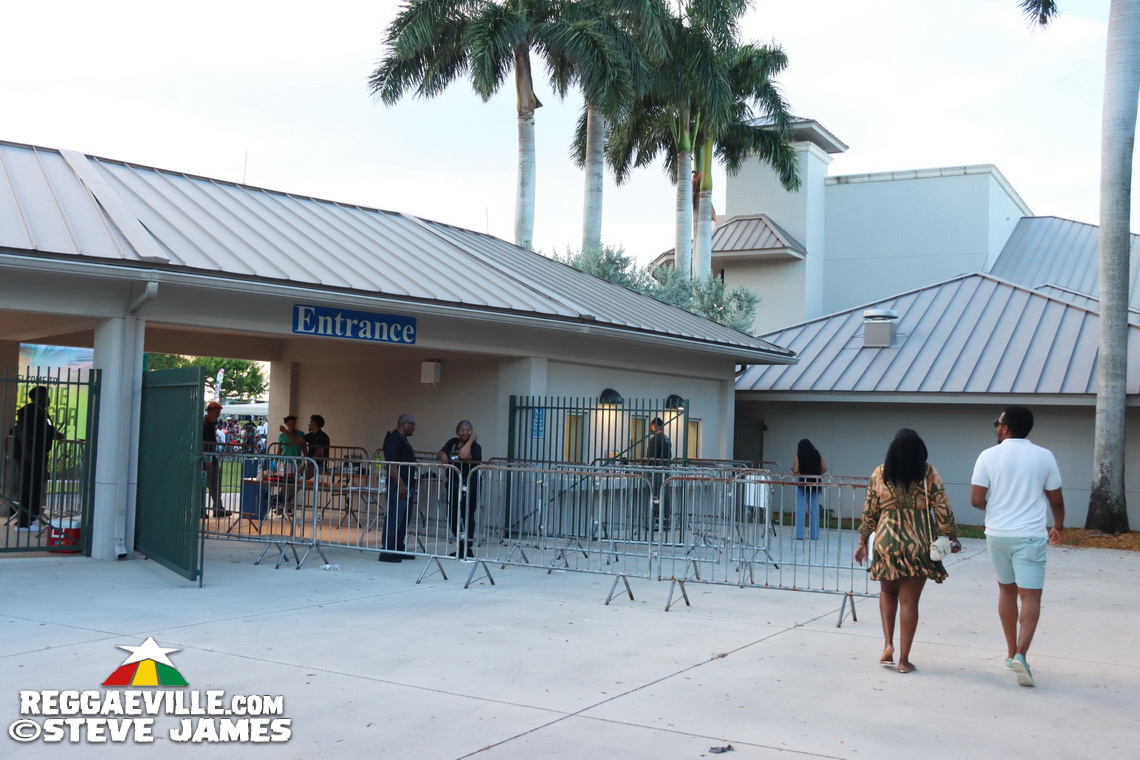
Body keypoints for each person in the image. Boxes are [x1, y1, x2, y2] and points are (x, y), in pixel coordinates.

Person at [970, 406, 1064, 688]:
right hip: (1031, 535)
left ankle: (1011, 652)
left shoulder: (988, 455)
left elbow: (976, 499)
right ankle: (1022, 654)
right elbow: (1055, 499)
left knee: (1006, 590)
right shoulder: (1045, 456)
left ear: (1006, 427)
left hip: (997, 533)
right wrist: (1058, 525)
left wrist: (996, 509)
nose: (996, 427)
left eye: (996, 423)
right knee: (1031, 596)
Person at [855, 429, 961, 673]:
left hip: (886, 542)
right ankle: (904, 661)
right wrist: (952, 537)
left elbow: (870, 511)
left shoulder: (879, 473)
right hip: (918, 543)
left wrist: (862, 541)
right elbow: (943, 507)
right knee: (909, 601)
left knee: (887, 592)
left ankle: (888, 644)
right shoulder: (928, 473)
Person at [11, 386, 64, 531]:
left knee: (35, 486)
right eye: (45, 395)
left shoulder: (42, 412)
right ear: (38, 396)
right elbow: (23, 429)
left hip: (38, 454)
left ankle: (31, 518)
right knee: (29, 487)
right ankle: (24, 522)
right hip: (30, 455)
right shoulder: (30, 409)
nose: (48, 398)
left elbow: (46, 429)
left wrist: (56, 434)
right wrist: (27, 451)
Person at [436, 420, 482, 558]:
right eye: (462, 430)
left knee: (467, 516)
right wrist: (443, 456)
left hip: (469, 485)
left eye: (468, 430)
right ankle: (460, 545)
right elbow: (441, 452)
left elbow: (463, 456)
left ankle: (468, 548)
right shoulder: (452, 442)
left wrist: (471, 441)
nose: (465, 433)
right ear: (457, 431)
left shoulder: (475, 446)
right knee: (453, 515)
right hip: (454, 484)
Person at [379, 413, 418, 562]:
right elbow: (392, 465)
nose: (414, 427)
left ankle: (398, 548)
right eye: (412, 424)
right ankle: (387, 550)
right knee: (395, 517)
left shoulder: (403, 440)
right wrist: (401, 485)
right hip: (399, 484)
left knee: (404, 518)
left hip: (407, 483)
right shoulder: (393, 440)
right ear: (404, 424)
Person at [792, 439, 827, 540]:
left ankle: (799, 535)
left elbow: (795, 470)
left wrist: (795, 470)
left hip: (802, 481)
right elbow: (824, 468)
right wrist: (816, 473)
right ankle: (815, 535)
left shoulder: (798, 455)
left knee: (801, 508)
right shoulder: (816, 454)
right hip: (815, 482)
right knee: (814, 509)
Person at [201, 401, 229, 517]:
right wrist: (206, 458)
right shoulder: (204, 424)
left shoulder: (210, 424)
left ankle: (218, 507)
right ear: (210, 412)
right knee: (203, 484)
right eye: (216, 413)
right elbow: (202, 442)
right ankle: (202, 509)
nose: (218, 415)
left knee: (215, 484)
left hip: (212, 456)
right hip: (207, 458)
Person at [646, 417, 672, 530]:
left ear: (654, 426)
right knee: (665, 494)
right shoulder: (666, 439)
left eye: (651, 427)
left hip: (656, 471)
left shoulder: (654, 439)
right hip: (666, 470)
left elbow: (651, 457)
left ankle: (656, 520)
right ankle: (666, 520)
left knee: (656, 495)